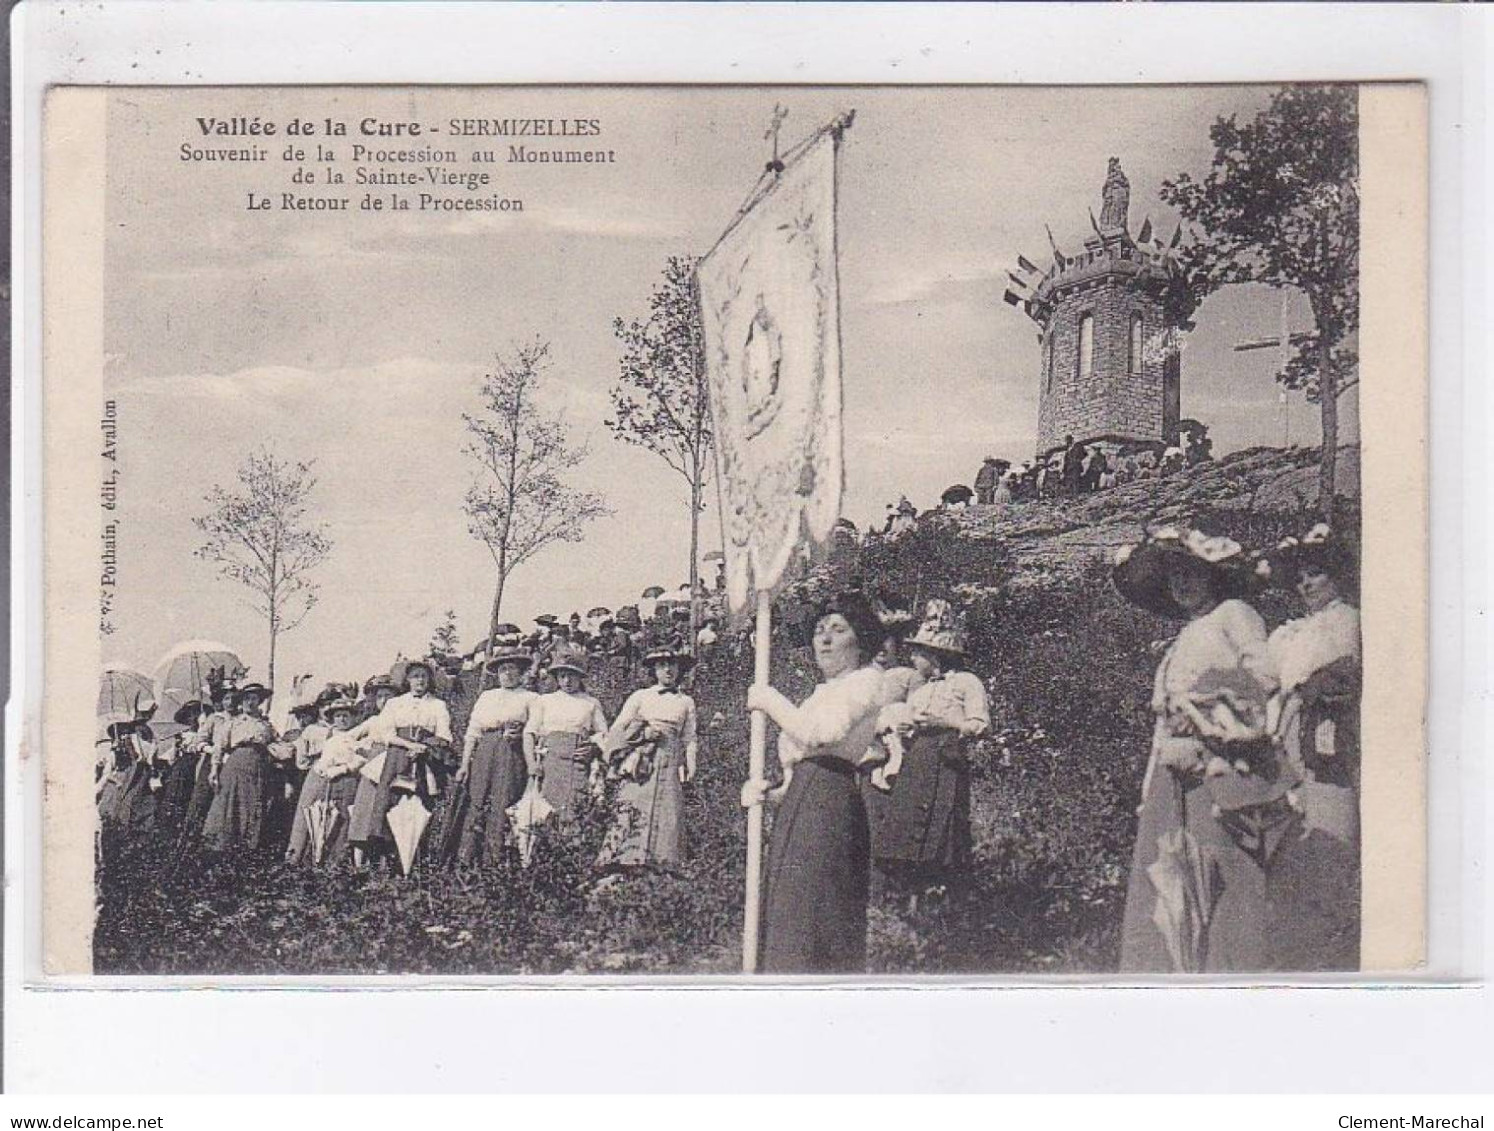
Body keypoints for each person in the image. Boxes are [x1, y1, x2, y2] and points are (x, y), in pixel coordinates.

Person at [1114, 526, 1284, 973]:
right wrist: (1149, 786)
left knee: (1223, 872)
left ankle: (1227, 972)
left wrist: (1209, 713)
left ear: (1212, 574)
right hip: (1175, 771)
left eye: (1190, 572)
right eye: (1173, 576)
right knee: (1171, 876)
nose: (1182, 584)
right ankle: (1175, 972)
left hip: (1223, 765)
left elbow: (1265, 680)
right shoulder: (1185, 634)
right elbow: (1164, 719)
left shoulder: (1235, 614)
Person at [742, 589, 887, 974]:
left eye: (838, 630)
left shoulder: (866, 681)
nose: (824, 639)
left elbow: (821, 734)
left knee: (815, 913)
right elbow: (802, 766)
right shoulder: (824, 692)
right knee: (788, 910)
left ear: (861, 641)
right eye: (820, 630)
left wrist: (769, 700)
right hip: (803, 803)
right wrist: (770, 796)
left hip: (830, 806)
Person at [1262, 524, 1362, 971]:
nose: (1306, 584)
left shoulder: (1348, 620)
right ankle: (1298, 931)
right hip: (1286, 728)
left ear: (1336, 576)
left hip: (1327, 730)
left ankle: (1332, 928)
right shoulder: (1289, 633)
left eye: (1316, 574)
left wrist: (1313, 690)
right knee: (1292, 820)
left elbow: (1348, 676)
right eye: (1300, 577)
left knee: (1329, 812)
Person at [868, 600, 990, 903]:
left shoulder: (967, 683)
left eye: (918, 652)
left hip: (947, 758)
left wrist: (945, 721)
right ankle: (911, 896)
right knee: (909, 823)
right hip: (918, 759)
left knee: (942, 822)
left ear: (935, 655)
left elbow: (979, 725)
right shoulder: (921, 690)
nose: (912, 657)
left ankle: (946, 897)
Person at [347, 660, 454, 869]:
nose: (419, 681)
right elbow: (387, 733)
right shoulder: (395, 704)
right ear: (408, 680)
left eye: (423, 676)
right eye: (415, 677)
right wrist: (408, 744)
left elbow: (444, 735)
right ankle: (385, 860)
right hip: (397, 755)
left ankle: (414, 860)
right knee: (390, 802)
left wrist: (424, 745)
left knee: (419, 804)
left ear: (429, 680)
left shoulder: (437, 705)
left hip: (425, 757)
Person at [603, 644, 699, 867]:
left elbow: (689, 737)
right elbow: (618, 729)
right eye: (662, 665)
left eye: (672, 665)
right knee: (634, 801)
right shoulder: (641, 696)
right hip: (642, 759)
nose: (668, 670)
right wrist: (643, 734)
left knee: (669, 808)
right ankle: (624, 859)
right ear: (654, 670)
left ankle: (662, 863)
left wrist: (690, 763)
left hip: (671, 758)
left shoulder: (685, 702)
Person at [453, 648, 538, 866]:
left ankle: (494, 861)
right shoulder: (487, 696)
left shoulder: (531, 698)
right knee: (477, 799)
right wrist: (464, 764)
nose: (507, 674)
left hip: (512, 751)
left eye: (512, 669)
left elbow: (535, 730)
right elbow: (473, 731)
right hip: (485, 749)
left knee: (504, 800)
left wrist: (519, 734)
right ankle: (466, 859)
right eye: (503, 669)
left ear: (521, 672)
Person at [524, 644, 609, 815]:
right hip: (550, 761)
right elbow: (529, 733)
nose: (567, 681)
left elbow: (603, 735)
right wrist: (531, 764)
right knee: (546, 809)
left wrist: (592, 749)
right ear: (556, 678)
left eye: (572, 676)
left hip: (577, 761)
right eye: (562, 676)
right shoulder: (545, 701)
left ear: (580, 677)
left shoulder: (590, 702)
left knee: (575, 806)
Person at [285, 697, 364, 868]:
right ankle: (302, 859)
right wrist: (319, 766)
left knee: (342, 817)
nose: (342, 719)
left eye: (346, 715)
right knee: (314, 814)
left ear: (353, 717)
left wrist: (344, 768)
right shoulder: (320, 733)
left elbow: (361, 758)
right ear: (332, 718)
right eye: (338, 716)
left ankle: (336, 862)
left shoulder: (358, 736)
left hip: (347, 779)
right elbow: (303, 759)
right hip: (321, 779)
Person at [202, 682, 280, 853]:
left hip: (259, 769)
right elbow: (219, 746)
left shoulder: (266, 725)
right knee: (230, 805)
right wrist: (214, 770)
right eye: (246, 699)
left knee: (253, 806)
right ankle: (221, 849)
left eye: (254, 698)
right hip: (236, 765)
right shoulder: (233, 722)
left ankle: (248, 848)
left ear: (259, 701)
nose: (250, 702)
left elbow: (279, 745)